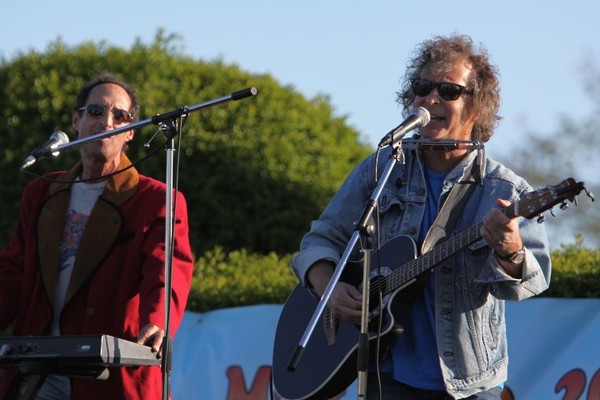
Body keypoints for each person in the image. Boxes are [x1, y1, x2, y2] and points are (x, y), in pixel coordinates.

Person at [291, 34, 551, 399]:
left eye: (449, 90)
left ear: (477, 107)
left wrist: (510, 250)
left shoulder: (504, 190)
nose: (431, 99)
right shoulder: (382, 168)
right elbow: (321, 240)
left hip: (467, 383)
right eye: (422, 87)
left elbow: (530, 283)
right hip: (383, 370)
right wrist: (329, 288)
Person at [0, 72, 195, 399]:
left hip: (109, 378)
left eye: (120, 115)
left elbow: (166, 270)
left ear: (131, 132)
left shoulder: (155, 199)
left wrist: (158, 318)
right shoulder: (42, 191)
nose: (107, 121)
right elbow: (13, 270)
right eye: (95, 111)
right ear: (76, 120)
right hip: (38, 370)